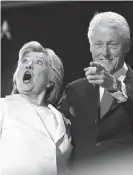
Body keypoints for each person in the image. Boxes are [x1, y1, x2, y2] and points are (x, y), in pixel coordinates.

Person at [58, 11, 133, 169]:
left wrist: (114, 86)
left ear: (127, 45)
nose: (104, 53)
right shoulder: (74, 90)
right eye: (98, 44)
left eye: (112, 44)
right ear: (90, 46)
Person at [0, 41, 72, 175]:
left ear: (51, 80)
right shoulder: (4, 107)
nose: (29, 64)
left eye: (38, 62)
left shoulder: (62, 122)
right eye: (25, 61)